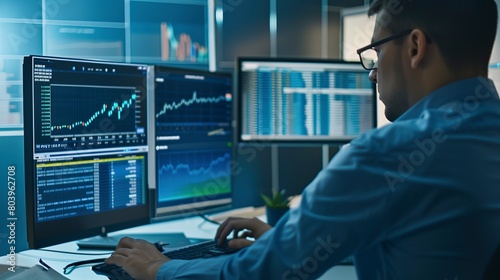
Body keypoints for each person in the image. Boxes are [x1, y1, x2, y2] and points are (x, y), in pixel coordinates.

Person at [106, 0, 500, 279]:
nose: (372, 72)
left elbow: (263, 274)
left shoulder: (386, 154)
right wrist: (292, 238)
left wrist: (160, 269)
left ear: (415, 47)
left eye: (376, 51)